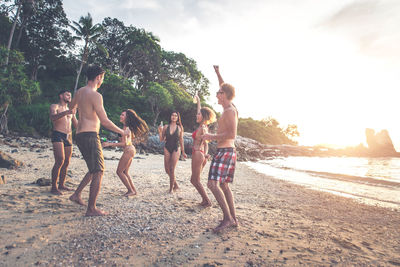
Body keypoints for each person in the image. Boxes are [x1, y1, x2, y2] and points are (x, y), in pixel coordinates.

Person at [68, 65, 124, 216]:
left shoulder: (79, 92)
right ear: (99, 77)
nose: (102, 80)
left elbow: (71, 108)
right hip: (90, 136)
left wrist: (77, 121)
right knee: (99, 171)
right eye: (103, 77)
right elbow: (104, 121)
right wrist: (122, 131)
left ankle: (76, 195)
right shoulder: (95, 95)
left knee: (93, 169)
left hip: (80, 135)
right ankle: (91, 208)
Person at [202, 65, 239, 232]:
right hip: (227, 152)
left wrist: (211, 137)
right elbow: (224, 86)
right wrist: (218, 73)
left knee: (212, 184)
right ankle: (233, 218)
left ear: (225, 95)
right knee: (224, 185)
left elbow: (231, 134)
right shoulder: (229, 107)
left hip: (225, 151)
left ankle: (227, 219)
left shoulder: (230, 111)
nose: (216, 95)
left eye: (219, 93)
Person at [102, 109, 149, 197]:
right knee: (125, 172)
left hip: (129, 150)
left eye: (123, 115)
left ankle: (130, 190)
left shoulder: (126, 128)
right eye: (121, 114)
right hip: (131, 149)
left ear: (127, 117)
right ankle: (133, 190)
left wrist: (109, 144)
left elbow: (124, 143)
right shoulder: (126, 127)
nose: (120, 116)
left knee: (119, 172)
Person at [49, 90, 78, 195]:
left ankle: (62, 184)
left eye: (70, 95)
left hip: (69, 136)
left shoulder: (71, 110)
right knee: (60, 160)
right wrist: (66, 112)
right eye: (67, 94)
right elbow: (53, 118)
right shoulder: (55, 106)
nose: (69, 96)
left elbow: (76, 125)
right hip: (58, 134)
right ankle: (54, 187)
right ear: (61, 96)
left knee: (66, 162)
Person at [191, 95, 216, 207]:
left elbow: (206, 140)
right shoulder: (202, 125)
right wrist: (198, 100)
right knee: (195, 179)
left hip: (197, 154)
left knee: (195, 180)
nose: (197, 115)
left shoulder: (203, 128)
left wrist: (204, 154)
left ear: (203, 116)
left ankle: (207, 201)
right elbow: (206, 144)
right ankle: (205, 200)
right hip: (199, 154)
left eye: (199, 114)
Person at [158, 111, 187, 193]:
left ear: (178, 118)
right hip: (167, 147)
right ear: (170, 116)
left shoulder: (179, 128)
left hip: (176, 148)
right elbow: (161, 139)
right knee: (167, 169)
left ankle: (171, 189)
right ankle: (176, 185)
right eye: (172, 115)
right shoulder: (166, 127)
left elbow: (181, 140)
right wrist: (160, 131)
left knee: (172, 169)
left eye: (175, 116)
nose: (174, 117)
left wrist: (183, 152)